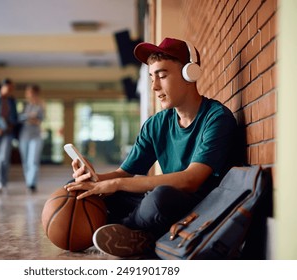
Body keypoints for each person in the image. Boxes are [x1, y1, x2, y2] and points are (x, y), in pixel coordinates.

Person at [64, 37, 238, 258]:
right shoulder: (157, 124)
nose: (155, 87)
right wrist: (95, 179)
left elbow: (190, 180)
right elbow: (123, 173)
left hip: (199, 209)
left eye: (162, 76)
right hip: (157, 205)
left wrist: (117, 183)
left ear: (190, 74)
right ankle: (133, 233)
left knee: (159, 197)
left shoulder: (216, 118)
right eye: (152, 77)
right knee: (79, 188)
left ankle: (126, 231)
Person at [18, 85, 45, 193]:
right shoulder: (24, 105)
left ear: (35, 93)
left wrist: (28, 117)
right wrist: (30, 117)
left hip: (36, 136)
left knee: (33, 160)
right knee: (25, 161)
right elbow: (19, 118)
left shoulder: (40, 105)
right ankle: (28, 182)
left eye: (30, 92)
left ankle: (32, 184)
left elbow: (39, 120)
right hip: (23, 136)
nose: (28, 94)